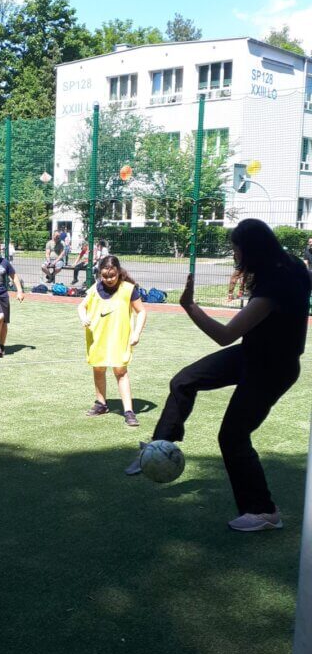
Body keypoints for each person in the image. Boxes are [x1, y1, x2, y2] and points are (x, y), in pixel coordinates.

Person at [126, 218, 312, 533]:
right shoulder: (289, 265)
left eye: (236, 249)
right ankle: (159, 446)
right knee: (184, 380)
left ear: (252, 250)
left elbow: (225, 335)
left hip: (272, 369)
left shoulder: (277, 281)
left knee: (232, 436)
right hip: (252, 354)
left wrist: (190, 306)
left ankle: (264, 511)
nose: (235, 255)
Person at [78, 255, 147, 425]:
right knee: (98, 368)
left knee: (120, 371)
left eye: (112, 275)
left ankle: (129, 411)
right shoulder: (95, 288)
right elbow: (82, 306)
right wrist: (83, 317)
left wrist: (136, 333)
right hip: (97, 337)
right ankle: (101, 404)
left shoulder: (128, 289)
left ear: (118, 272)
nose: (109, 279)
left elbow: (141, 311)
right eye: (105, 276)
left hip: (119, 337)